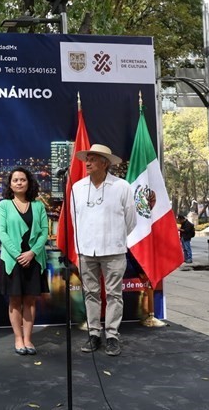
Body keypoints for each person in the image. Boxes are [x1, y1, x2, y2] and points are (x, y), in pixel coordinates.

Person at [70, 144, 136, 357]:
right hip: (86, 251)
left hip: (114, 250)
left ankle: (112, 335)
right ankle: (94, 333)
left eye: (93, 159)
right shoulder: (77, 188)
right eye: (86, 158)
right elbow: (74, 220)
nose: (87, 162)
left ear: (105, 163)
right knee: (90, 293)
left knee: (114, 294)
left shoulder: (122, 186)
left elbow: (131, 220)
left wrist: (114, 236)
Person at [0, 167, 49, 355]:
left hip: (34, 260)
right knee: (15, 300)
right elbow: (1, 232)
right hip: (13, 260)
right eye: (15, 180)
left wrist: (32, 253)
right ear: (10, 185)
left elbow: (44, 232)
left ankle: (28, 339)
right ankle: (18, 339)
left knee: (30, 301)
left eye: (22, 180)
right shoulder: (4, 206)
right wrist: (19, 254)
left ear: (29, 183)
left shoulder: (38, 206)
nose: (19, 182)